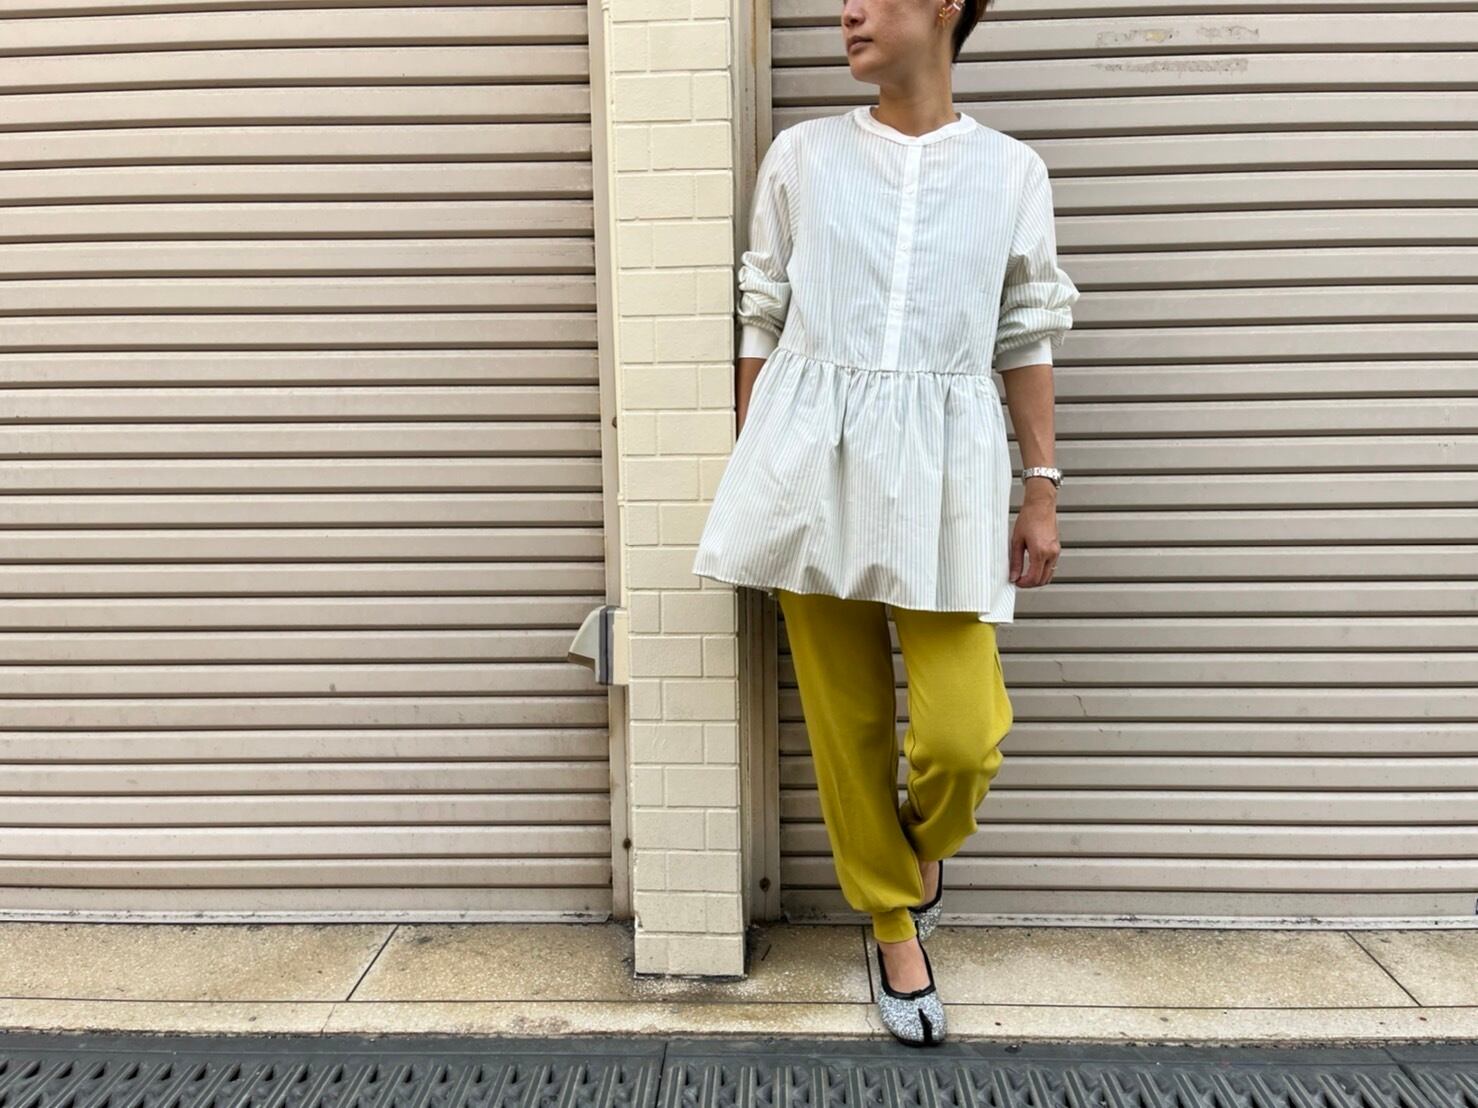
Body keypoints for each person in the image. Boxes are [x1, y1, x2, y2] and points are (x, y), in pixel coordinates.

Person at [691, 0, 1079, 1046]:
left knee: (962, 737)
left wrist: (1040, 486)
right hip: (809, 463)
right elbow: (762, 310)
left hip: (948, 471)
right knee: (846, 724)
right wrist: (762, 454)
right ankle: (893, 924)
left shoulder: (1010, 172)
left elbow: (1025, 332)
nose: (848, 11)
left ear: (947, 6)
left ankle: (920, 847)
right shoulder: (803, 156)